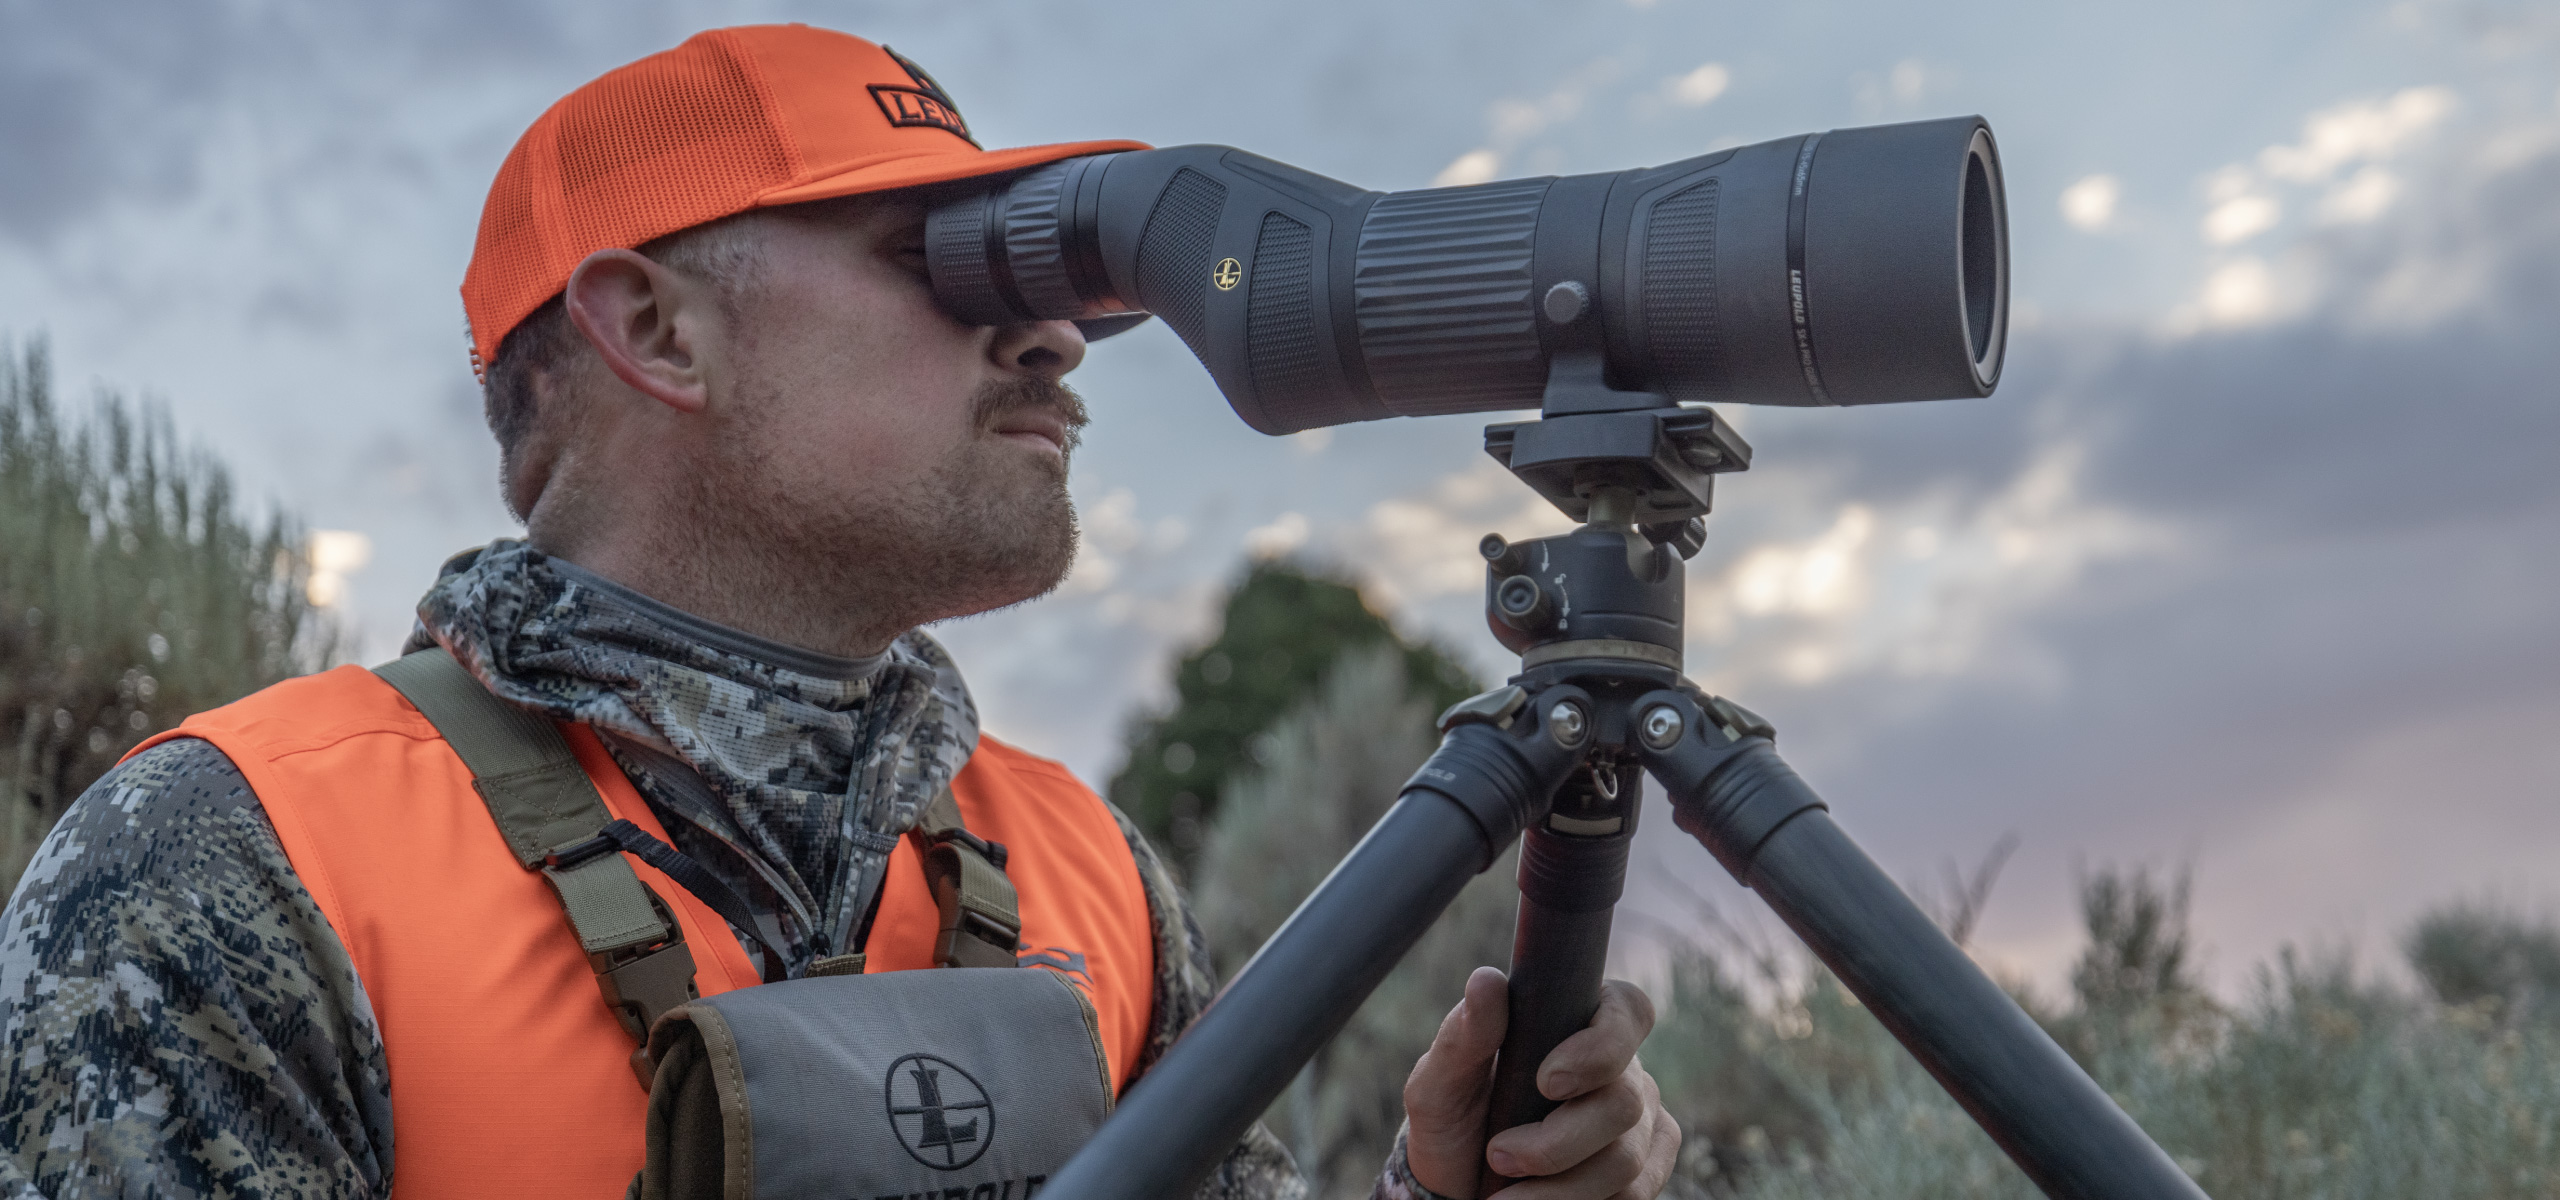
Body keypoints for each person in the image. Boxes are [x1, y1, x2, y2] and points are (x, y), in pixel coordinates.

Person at [0, 24, 1678, 1200]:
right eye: (952, 263)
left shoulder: (1086, 870)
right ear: (657, 333)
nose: (1055, 339)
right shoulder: (236, 861)